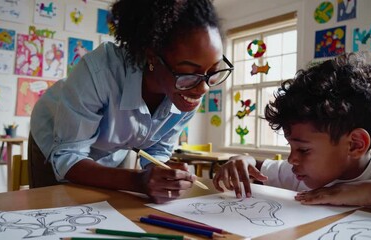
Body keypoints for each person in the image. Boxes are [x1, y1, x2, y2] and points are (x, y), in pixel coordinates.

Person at [29, 0, 233, 204]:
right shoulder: (99, 72)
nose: (204, 88)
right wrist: (138, 181)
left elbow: (156, 151)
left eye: (213, 73)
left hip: (116, 147)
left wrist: (161, 174)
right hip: (58, 136)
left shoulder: (187, 92)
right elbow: (68, 158)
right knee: (56, 209)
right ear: (152, 57)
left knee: (114, 209)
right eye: (188, 73)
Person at [213, 53, 371, 209]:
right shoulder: (298, 173)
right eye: (291, 147)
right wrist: (244, 159)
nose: (291, 159)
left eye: (303, 150)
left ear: (355, 144)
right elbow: (259, 167)